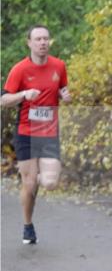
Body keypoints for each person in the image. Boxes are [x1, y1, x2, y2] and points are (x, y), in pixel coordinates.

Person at [1, 25, 70, 245]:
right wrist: (23, 94)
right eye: (38, 39)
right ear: (29, 43)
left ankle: (36, 178)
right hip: (26, 133)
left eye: (46, 39)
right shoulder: (20, 70)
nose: (42, 43)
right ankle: (28, 225)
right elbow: (3, 100)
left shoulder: (59, 66)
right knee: (29, 185)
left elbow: (62, 90)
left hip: (49, 132)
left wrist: (65, 95)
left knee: (49, 182)